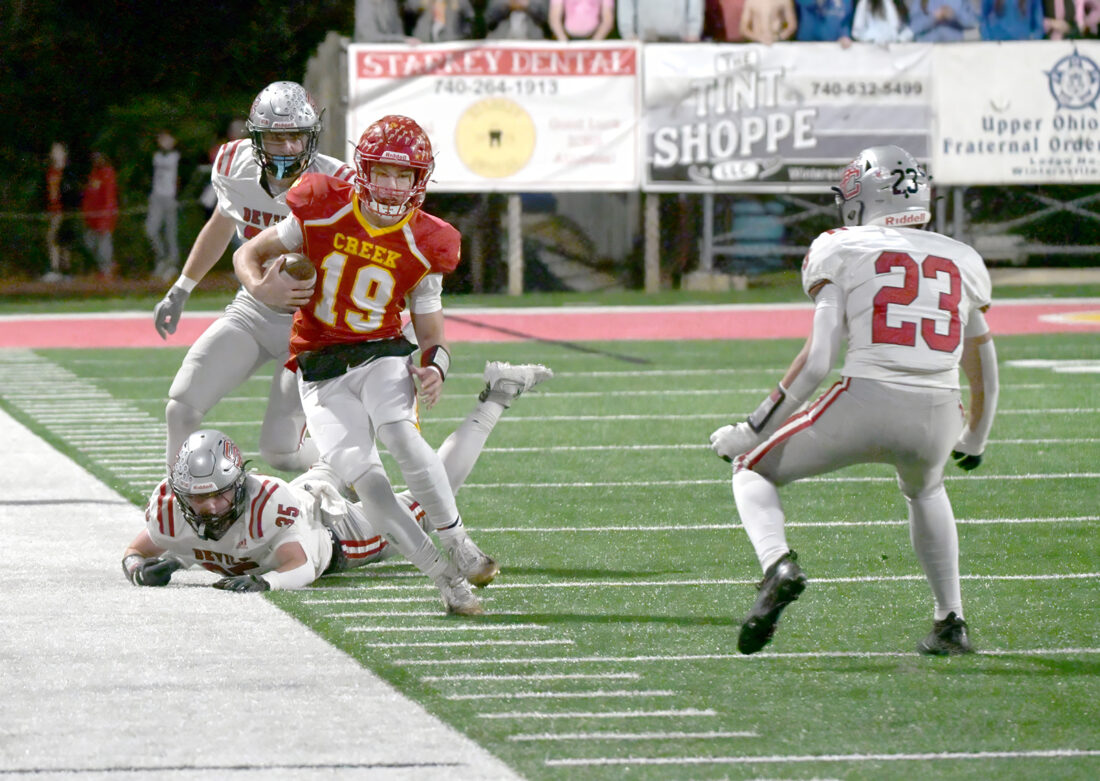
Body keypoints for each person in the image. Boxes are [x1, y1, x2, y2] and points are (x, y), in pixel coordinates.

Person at [710, 145, 999, 657]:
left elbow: (818, 360)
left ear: (866, 196)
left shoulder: (840, 247)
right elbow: (984, 364)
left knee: (750, 470)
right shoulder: (961, 257)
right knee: (926, 491)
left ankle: (778, 566)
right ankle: (950, 621)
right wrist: (975, 437)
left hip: (865, 397)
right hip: (939, 412)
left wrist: (753, 429)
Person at [232, 114, 502, 612]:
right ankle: (444, 578)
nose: (392, 185)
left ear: (419, 179)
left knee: (401, 434)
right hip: (318, 366)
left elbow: (432, 334)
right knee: (368, 482)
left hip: (381, 350)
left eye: (403, 175)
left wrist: (435, 368)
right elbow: (248, 253)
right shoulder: (321, 205)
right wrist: (258, 286)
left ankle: (459, 541)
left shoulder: (428, 239)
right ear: (364, 169)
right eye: (383, 172)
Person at [121, 361, 551, 608]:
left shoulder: (268, 508)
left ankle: (497, 397)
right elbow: (134, 551)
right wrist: (142, 568)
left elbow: (301, 566)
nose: (212, 506)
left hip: (335, 529)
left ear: (239, 484)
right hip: (309, 489)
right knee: (338, 454)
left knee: (431, 496)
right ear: (181, 494)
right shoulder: (171, 513)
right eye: (200, 497)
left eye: (220, 494)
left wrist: (268, 583)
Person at [152, 82, 354, 474]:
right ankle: (180, 502)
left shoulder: (339, 183)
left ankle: (345, 467)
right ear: (256, 137)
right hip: (256, 307)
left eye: (297, 135)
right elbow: (222, 222)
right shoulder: (234, 164)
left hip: (316, 322)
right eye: (276, 137)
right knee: (181, 407)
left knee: (281, 452)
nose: (288, 147)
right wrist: (182, 288)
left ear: (312, 136)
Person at [147, 130, 181, 281]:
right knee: (150, 230)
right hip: (156, 197)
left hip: (171, 197)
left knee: (170, 233)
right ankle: (161, 258)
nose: (163, 142)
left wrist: (178, 195)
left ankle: (172, 264)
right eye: (161, 139)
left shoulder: (178, 156)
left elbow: (181, 177)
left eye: (167, 138)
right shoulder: (156, 156)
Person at [81, 150, 119, 279]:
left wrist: (105, 219)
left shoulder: (108, 173)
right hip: (93, 218)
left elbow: (109, 197)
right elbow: (89, 195)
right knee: (89, 242)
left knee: (104, 244)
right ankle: (106, 266)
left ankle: (107, 270)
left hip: (104, 217)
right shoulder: (93, 174)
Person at [43, 141, 71, 282]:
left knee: (55, 239)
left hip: (63, 212)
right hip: (52, 211)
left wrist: (66, 211)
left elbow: (70, 193)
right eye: (53, 151)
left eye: (58, 150)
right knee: (55, 240)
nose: (54, 153)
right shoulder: (50, 172)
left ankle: (59, 270)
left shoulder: (66, 173)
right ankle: (59, 270)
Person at [616, 0, 706, 40]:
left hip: (682, 42)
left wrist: (693, 32)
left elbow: (695, 5)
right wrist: (628, 34)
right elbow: (626, 3)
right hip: (644, 44)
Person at [906, 0, 979, 41]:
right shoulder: (920, 2)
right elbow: (912, 28)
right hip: (928, 51)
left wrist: (954, 16)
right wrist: (933, 17)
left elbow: (972, 23)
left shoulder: (960, 1)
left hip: (955, 49)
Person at [408, 0, 478, 40]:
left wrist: (465, 34)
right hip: (424, 41)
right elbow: (409, 9)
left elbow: (470, 18)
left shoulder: (459, 1)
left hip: (452, 41)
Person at [548, 0, 616, 40]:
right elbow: (554, 18)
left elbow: (608, 20)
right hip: (567, 39)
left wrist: (595, 44)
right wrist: (564, 43)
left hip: (597, 38)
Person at [485, 0, 550, 38]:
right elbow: (490, 19)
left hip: (532, 42)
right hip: (502, 41)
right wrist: (508, 5)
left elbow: (544, 19)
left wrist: (527, 5)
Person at [980, 0, 1044, 38]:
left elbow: (1038, 24)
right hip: (996, 44)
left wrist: (1033, 41)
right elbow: (983, 19)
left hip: (1023, 45)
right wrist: (988, 40)